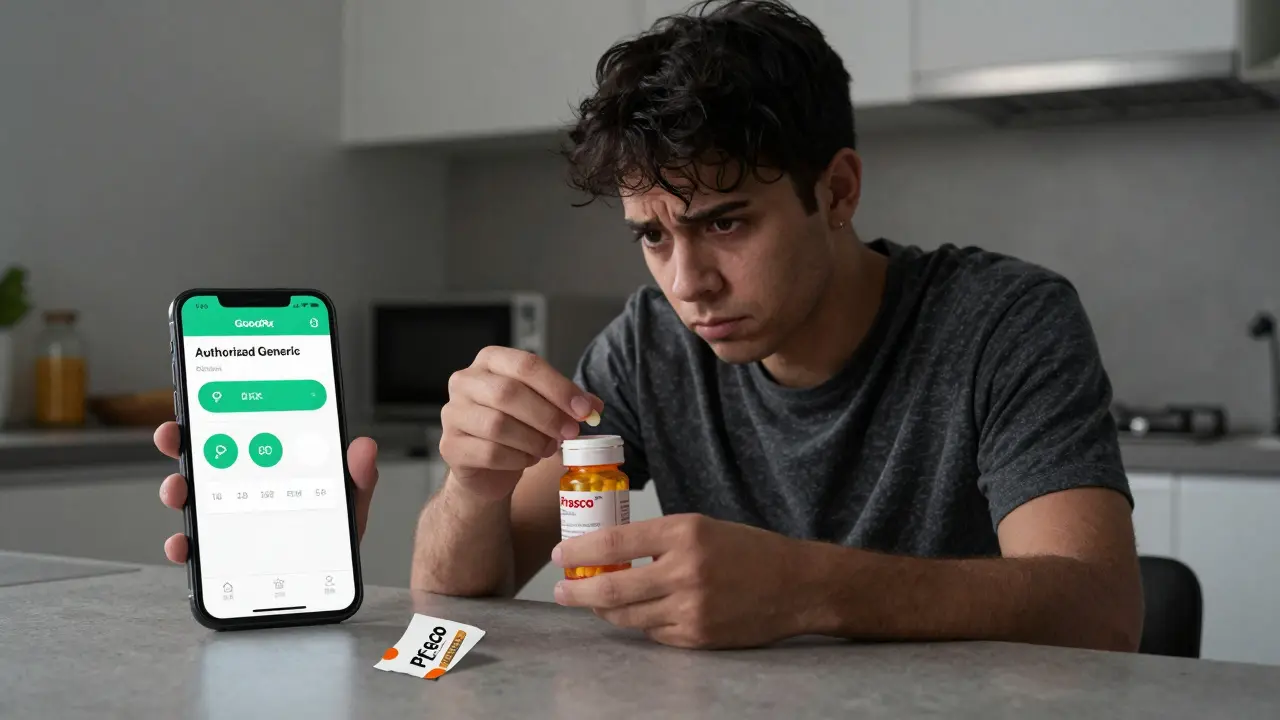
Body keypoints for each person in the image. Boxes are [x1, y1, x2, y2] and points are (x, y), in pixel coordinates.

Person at [154, 0, 1143, 651]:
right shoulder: (645, 345)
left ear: (835, 190)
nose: (688, 282)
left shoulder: (1001, 321)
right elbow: (468, 592)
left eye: (724, 223)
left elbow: (1100, 611)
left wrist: (806, 587)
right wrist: (474, 483)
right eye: (651, 238)